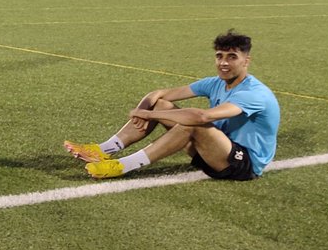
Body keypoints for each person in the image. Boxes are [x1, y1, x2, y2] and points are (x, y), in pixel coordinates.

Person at [63, 30, 281, 181]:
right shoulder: (214, 83)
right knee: (161, 105)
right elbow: (158, 94)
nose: (223, 63)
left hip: (242, 164)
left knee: (193, 123)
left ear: (246, 61)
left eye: (232, 57)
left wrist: (147, 115)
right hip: (211, 152)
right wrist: (146, 110)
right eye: (219, 56)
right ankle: (104, 150)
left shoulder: (254, 93)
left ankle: (123, 166)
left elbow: (203, 118)